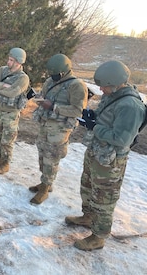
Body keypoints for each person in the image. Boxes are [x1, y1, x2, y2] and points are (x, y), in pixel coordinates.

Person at [65, 60, 146, 251]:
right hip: (97, 152)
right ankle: (88, 217)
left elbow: (122, 139)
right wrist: (91, 116)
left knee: (104, 199)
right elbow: (106, 119)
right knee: (88, 187)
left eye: (104, 86)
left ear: (116, 83)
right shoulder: (112, 96)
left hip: (110, 162)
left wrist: (96, 127)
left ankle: (99, 237)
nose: (100, 89)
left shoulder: (130, 106)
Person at [30, 54, 88, 204]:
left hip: (59, 128)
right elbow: (45, 96)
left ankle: (45, 189)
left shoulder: (77, 85)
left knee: (51, 158)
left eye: (54, 73)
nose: (51, 76)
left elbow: (78, 110)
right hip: (45, 124)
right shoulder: (50, 81)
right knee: (42, 155)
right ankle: (45, 183)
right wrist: (39, 99)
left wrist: (54, 107)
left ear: (63, 71)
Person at [0, 48, 30, 174]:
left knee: (8, 140)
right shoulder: (2, 70)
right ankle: (1, 158)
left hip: (11, 114)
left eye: (11, 60)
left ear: (19, 62)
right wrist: (3, 85)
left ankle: (6, 163)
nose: (8, 62)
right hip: (0, 111)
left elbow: (12, 93)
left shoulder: (23, 78)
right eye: (9, 59)